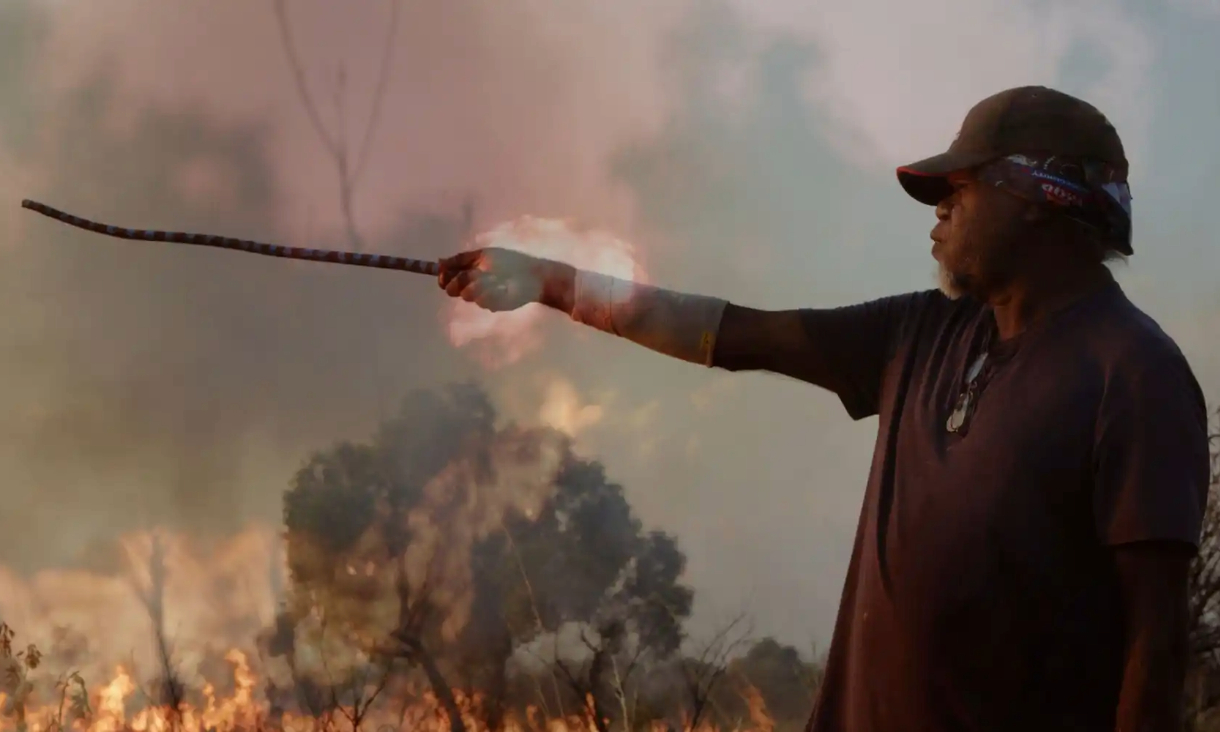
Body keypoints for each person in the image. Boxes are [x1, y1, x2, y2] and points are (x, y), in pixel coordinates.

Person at [437, 86, 1211, 731]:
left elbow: (1156, 643)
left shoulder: (1133, 375)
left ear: (1040, 197)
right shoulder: (918, 333)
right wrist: (548, 282)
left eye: (958, 190)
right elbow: (734, 333)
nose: (938, 213)